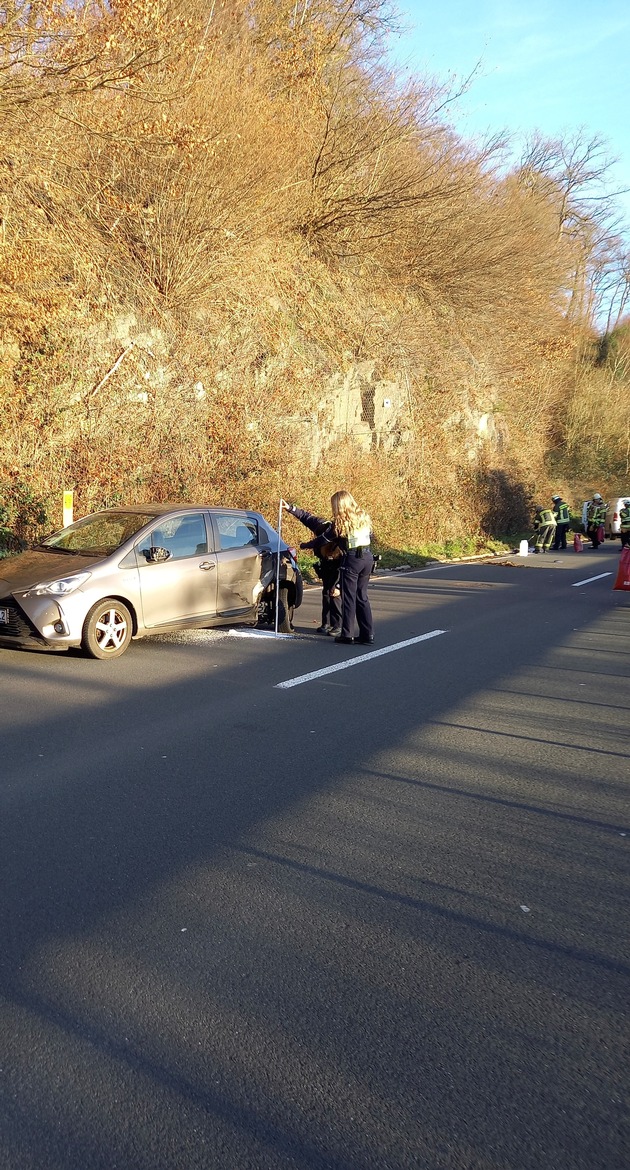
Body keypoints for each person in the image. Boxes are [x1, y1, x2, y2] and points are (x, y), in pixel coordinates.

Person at [282, 502, 342, 634]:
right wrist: (290, 509)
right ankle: (326, 623)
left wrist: (306, 545)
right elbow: (306, 517)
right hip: (326, 563)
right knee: (326, 592)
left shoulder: (337, 530)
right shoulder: (321, 525)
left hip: (340, 563)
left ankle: (337, 625)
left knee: (335, 593)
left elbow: (319, 541)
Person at [329, 489, 374, 645]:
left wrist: (307, 545)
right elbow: (371, 536)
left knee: (349, 598)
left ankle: (347, 634)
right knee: (362, 597)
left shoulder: (341, 522)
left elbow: (331, 539)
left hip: (352, 559)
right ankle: (367, 634)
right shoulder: (363, 516)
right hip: (367, 558)